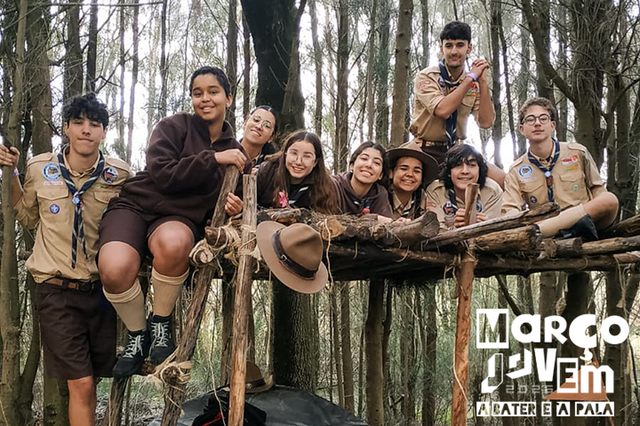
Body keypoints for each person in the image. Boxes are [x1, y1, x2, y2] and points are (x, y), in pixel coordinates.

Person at [98, 66, 251, 378]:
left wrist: (232, 206)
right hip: (136, 205)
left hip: (179, 218)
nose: (205, 99)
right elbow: (163, 173)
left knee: (175, 243)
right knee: (114, 267)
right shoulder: (173, 126)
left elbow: (228, 200)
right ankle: (137, 335)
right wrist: (212, 158)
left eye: (213, 92)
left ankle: (161, 325)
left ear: (228, 98)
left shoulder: (236, 152)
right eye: (197, 93)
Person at [0, 93, 130, 425]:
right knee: (81, 383)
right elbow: (27, 216)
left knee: (91, 381)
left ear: (104, 132)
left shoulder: (119, 174)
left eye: (95, 124)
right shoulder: (40, 167)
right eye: (78, 122)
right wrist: (11, 173)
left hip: (101, 293)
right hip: (56, 291)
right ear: (66, 128)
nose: (86, 130)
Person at [502, 97, 618, 240]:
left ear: (553, 125)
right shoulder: (516, 170)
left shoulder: (577, 153)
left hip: (583, 223)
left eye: (543, 118)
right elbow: (510, 210)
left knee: (609, 199)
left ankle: (537, 230)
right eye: (530, 119)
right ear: (522, 129)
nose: (537, 123)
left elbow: (598, 190)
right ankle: (539, 230)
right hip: (547, 232)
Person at [410, 21, 504, 187]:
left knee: (503, 180)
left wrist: (482, 83)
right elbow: (442, 110)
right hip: (423, 147)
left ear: (469, 48)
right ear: (441, 49)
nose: (454, 51)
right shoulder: (427, 77)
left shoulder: (473, 82)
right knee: (395, 175)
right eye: (449, 46)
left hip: (455, 149)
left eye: (460, 45)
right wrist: (470, 78)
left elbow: (486, 122)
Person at [256, 130, 336, 214]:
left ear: (315, 162)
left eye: (307, 156)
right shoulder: (267, 172)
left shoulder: (323, 186)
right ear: (285, 153)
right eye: (294, 153)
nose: (298, 162)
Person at [425, 144, 503, 228]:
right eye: (458, 165)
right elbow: (436, 230)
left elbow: (497, 227)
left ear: (479, 170)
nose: (465, 171)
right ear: (448, 172)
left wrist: (484, 226)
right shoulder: (435, 191)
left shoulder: (492, 191)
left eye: (472, 165)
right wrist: (455, 227)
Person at [332, 141, 393, 221]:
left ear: (381, 175)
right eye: (364, 159)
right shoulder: (333, 186)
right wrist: (374, 218)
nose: (369, 165)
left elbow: (388, 222)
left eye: (376, 163)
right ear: (352, 165)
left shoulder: (380, 194)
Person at [386, 140, 439, 220]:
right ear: (391, 173)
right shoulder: (380, 197)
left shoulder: (422, 199)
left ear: (422, 178)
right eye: (404, 169)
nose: (410, 174)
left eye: (417, 171)